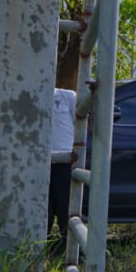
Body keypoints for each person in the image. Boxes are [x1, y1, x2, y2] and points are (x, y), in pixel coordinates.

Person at [48, 86, 77, 256]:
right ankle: (40, 248)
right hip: (36, 161)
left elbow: (80, 123)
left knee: (65, 205)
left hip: (65, 162)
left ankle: (71, 249)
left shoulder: (67, 96)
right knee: (44, 208)